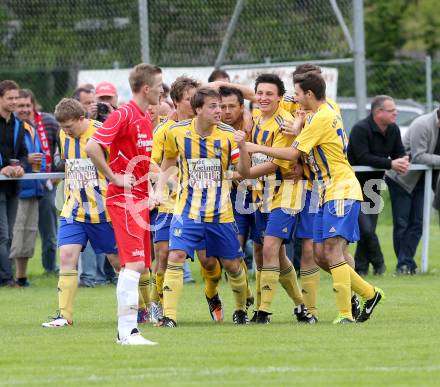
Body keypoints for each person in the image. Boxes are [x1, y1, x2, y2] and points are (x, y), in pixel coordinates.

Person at [235, 72, 384, 324]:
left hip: (341, 188)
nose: (294, 99)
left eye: (298, 94)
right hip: (324, 191)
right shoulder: (314, 115)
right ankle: (369, 294)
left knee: (332, 250)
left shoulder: (321, 118)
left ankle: (346, 314)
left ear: (309, 94)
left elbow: (292, 154)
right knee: (319, 255)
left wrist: (256, 147)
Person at [156, 87, 249, 327]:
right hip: (187, 211)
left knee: (232, 266)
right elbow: (166, 161)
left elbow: (244, 173)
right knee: (175, 256)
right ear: (198, 110)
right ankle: (169, 317)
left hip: (221, 213)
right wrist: (158, 191)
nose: (220, 111)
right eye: (213, 106)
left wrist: (245, 147)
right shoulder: (176, 132)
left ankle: (240, 309)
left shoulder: (229, 134)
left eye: (220, 106)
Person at [86, 63, 162, 345]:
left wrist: (153, 188)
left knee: (142, 265)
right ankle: (126, 330)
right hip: (124, 200)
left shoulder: (143, 117)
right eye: (159, 86)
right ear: (146, 88)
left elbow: (142, 161)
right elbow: (92, 147)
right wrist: (113, 177)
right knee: (133, 264)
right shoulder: (124, 114)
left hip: (140, 200)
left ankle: (129, 330)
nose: (161, 90)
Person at [234, 74, 315, 324]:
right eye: (260, 93)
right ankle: (302, 307)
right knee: (272, 255)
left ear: (280, 97)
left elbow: (276, 165)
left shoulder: (285, 123)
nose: (263, 98)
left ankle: (263, 312)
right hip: (261, 194)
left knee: (269, 247)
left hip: (286, 193)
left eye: (269, 94)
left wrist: (240, 174)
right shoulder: (256, 117)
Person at [41, 98, 120, 329]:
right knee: (66, 257)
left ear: (82, 118)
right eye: (63, 127)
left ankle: (145, 306)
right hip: (73, 210)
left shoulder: (102, 133)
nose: (66, 131)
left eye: (70, 126)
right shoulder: (63, 136)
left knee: (119, 264)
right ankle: (64, 316)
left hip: (103, 211)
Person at [348, 95, 409, 276]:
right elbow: (362, 157)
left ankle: (361, 269)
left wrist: (403, 160)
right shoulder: (360, 129)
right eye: (392, 110)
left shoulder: (393, 129)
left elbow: (399, 152)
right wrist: (390, 164)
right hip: (354, 184)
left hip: (374, 184)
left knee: (369, 230)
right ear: (378, 113)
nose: (396, 113)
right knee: (365, 229)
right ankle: (380, 264)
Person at [385, 107, 440, 275]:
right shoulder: (422, 125)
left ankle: (406, 263)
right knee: (402, 223)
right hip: (401, 179)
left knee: (417, 223)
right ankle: (404, 265)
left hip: (421, 179)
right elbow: (419, 156)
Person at [9, 89, 47, 287]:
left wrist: (38, 169)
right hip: (17, 190)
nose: (24, 109)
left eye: (27, 105)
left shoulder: (31, 128)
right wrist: (26, 161)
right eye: (20, 105)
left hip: (34, 189)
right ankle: (9, 277)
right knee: (15, 234)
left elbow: (41, 156)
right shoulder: (11, 128)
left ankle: (21, 278)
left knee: (29, 234)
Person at [0, 80, 27, 287]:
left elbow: (23, 155)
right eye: (10, 98)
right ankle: (6, 278)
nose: (14, 102)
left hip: (13, 186)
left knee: (8, 233)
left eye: (16, 97)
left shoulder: (18, 124)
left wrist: (21, 167)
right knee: (3, 233)